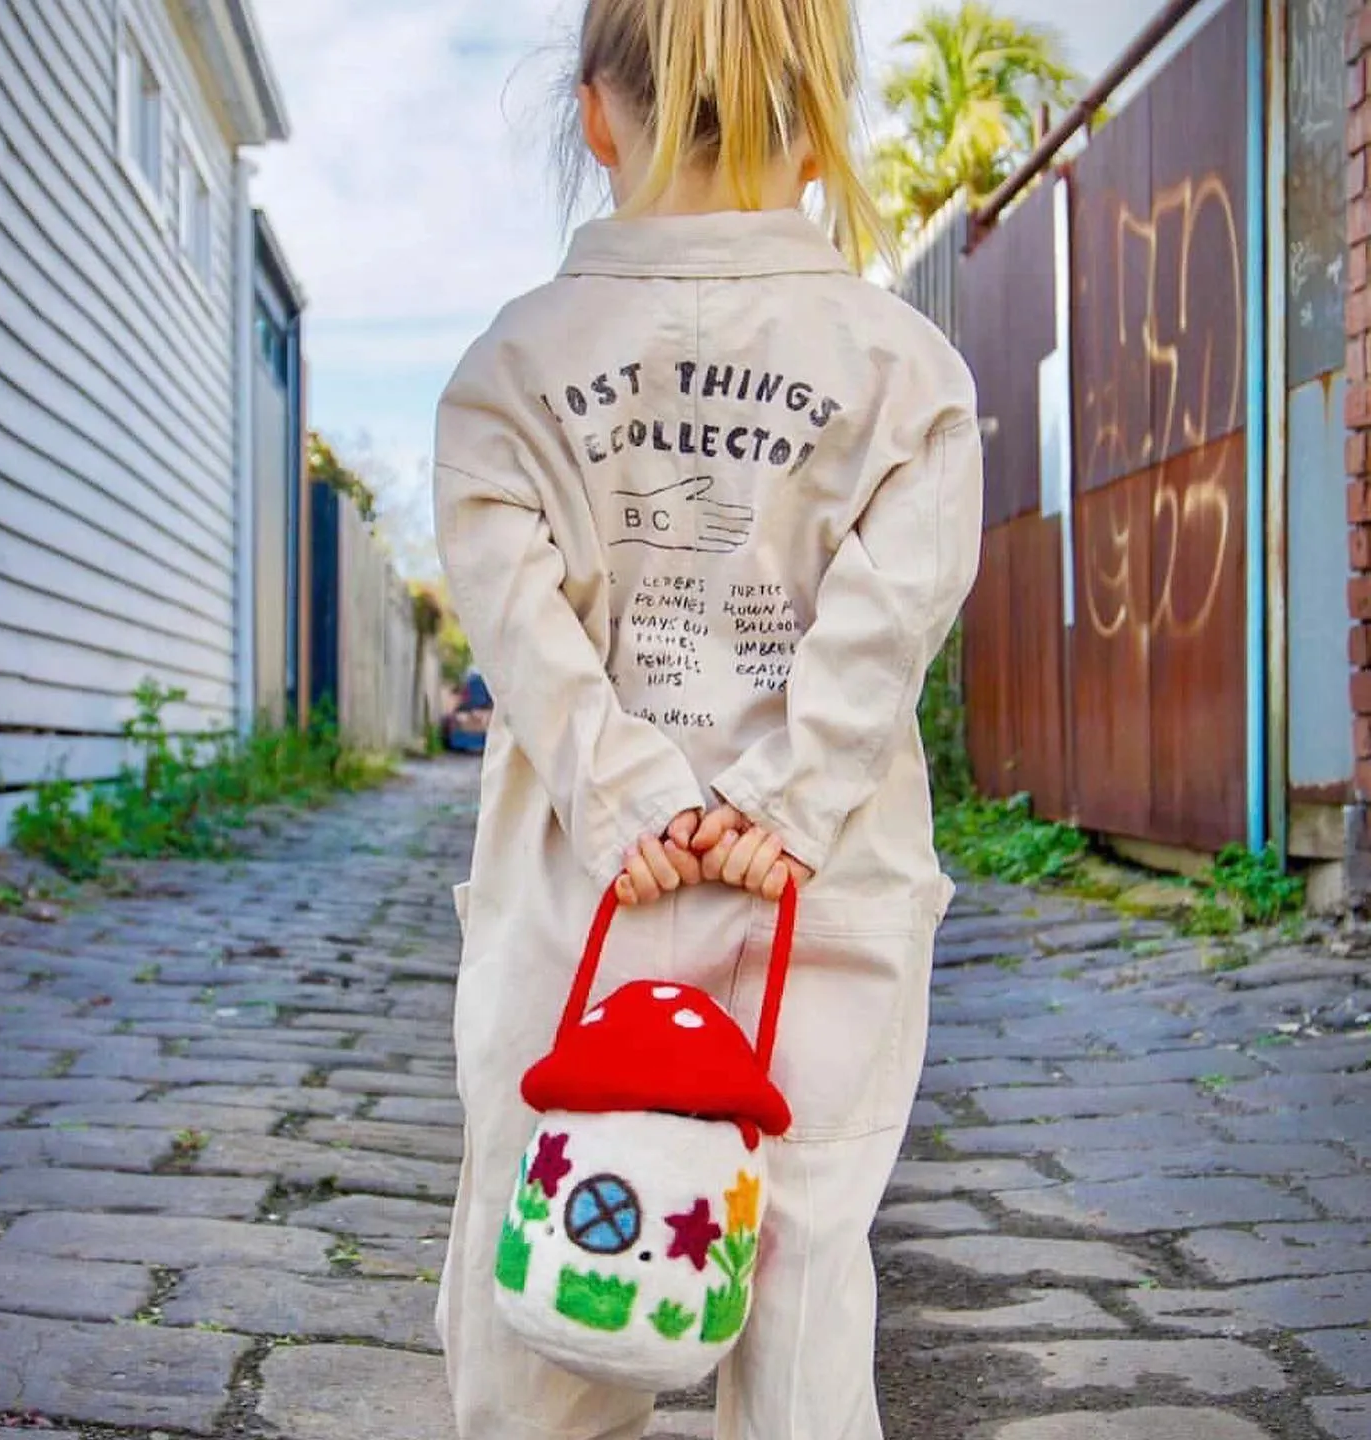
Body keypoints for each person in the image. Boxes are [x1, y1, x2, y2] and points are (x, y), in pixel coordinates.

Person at [432, 0, 983, 1434]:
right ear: (816, 130)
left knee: (552, 1287)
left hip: (584, 902)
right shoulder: (903, 371)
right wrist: (785, 804)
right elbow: (892, 612)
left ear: (593, 115)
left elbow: (523, 632)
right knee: (800, 1298)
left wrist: (632, 804)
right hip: (822, 897)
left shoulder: (511, 367)